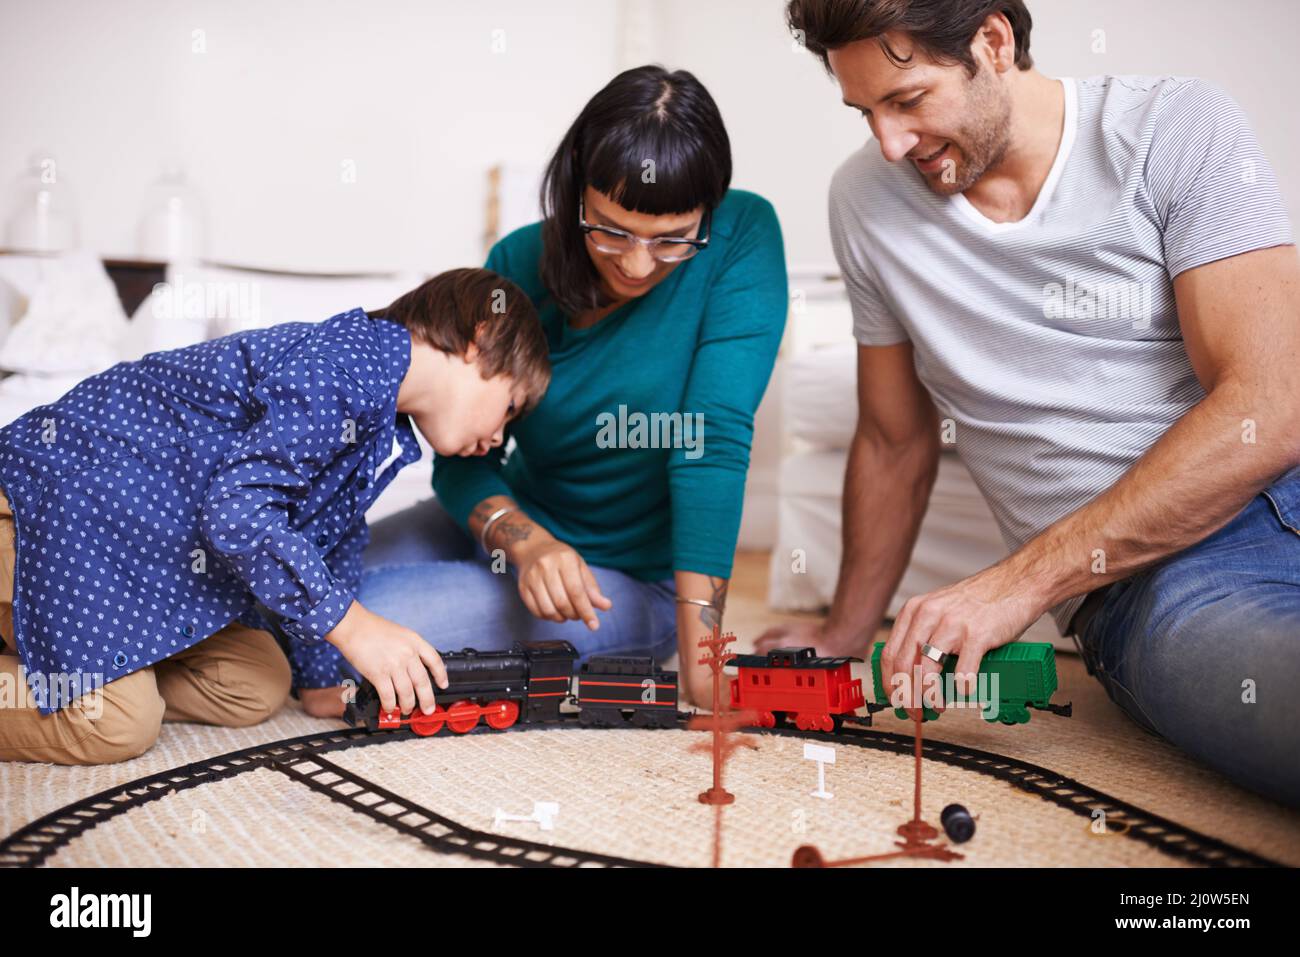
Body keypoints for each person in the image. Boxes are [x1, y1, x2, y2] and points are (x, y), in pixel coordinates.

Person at [759, 0, 1300, 804]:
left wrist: (1015, 583)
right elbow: (892, 438)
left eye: (907, 102)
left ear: (993, 41)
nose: (889, 142)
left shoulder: (1174, 127)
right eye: (865, 110)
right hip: (1163, 583)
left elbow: (1274, 402)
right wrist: (844, 632)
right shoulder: (867, 204)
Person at [351, 65, 789, 709]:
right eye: (611, 230)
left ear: (710, 210)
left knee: (360, 611)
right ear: (578, 183)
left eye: (672, 241)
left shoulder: (743, 237)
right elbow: (464, 462)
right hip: (510, 523)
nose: (638, 264)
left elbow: (710, 444)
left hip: (625, 584)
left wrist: (705, 667)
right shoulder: (517, 262)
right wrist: (527, 543)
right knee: (312, 570)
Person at [0, 268, 548, 764]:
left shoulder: (380, 420)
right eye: (509, 408)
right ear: (481, 340)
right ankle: (89, 675)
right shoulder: (350, 362)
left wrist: (316, 680)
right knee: (117, 723)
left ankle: (92, 661)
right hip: (56, 515)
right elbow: (238, 513)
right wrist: (353, 627)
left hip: (141, 556)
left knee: (257, 684)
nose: (498, 437)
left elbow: (332, 544)